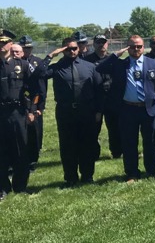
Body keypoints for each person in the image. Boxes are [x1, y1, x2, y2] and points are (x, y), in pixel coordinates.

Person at [96, 35, 155, 181]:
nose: (136, 49)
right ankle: (132, 173)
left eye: (139, 46)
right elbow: (100, 67)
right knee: (129, 143)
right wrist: (116, 55)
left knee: (151, 142)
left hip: (149, 109)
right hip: (128, 109)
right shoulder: (120, 64)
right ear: (127, 47)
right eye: (132, 46)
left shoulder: (153, 63)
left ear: (143, 47)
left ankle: (152, 170)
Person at [40, 38, 104, 186]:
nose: (72, 51)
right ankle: (70, 177)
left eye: (75, 48)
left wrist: (99, 111)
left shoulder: (89, 67)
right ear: (63, 50)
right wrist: (50, 56)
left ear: (79, 49)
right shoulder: (56, 68)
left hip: (86, 111)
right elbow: (39, 74)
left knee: (87, 145)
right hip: (65, 111)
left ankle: (87, 176)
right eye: (68, 49)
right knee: (68, 146)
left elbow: (99, 90)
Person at [0, 29, 38, 199]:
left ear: (10, 44)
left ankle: (20, 186)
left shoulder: (21, 65)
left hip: (18, 113)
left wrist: (31, 110)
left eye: (4, 42)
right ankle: (3, 188)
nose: (1, 46)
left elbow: (34, 90)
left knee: (21, 149)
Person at [85, 34, 122, 159]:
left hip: (112, 99)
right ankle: (93, 154)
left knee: (115, 128)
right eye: (98, 42)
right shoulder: (87, 60)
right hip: (95, 99)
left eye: (103, 42)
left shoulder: (113, 59)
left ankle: (117, 152)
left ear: (107, 44)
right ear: (94, 44)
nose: (101, 45)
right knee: (93, 128)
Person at [18, 37, 46, 172]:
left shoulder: (37, 62)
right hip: (19, 102)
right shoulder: (15, 62)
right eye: (24, 48)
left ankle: (32, 160)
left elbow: (42, 87)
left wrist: (40, 106)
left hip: (34, 102)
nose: (26, 50)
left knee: (35, 133)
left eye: (28, 48)